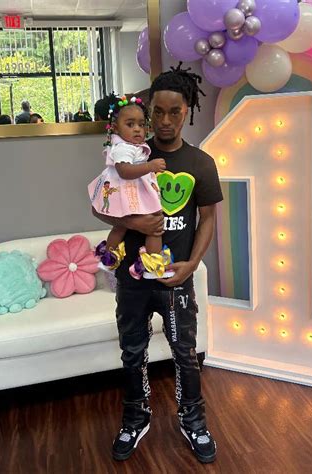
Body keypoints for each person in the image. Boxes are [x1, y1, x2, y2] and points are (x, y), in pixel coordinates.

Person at [91, 64, 223, 463]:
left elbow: (208, 219)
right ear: (148, 114)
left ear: (187, 111)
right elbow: (101, 205)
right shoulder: (130, 155)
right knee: (132, 351)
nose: (165, 121)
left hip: (174, 278)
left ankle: (193, 420)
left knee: (185, 353)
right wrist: (134, 224)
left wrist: (192, 264)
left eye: (174, 112)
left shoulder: (201, 163)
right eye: (157, 113)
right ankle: (136, 417)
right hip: (132, 279)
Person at [88, 95, 174, 279]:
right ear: (115, 128)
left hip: (127, 191)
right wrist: (150, 166)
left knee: (121, 226)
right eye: (130, 124)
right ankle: (153, 265)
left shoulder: (127, 145)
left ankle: (108, 258)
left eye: (141, 124)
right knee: (155, 224)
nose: (137, 129)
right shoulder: (124, 148)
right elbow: (124, 171)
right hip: (127, 190)